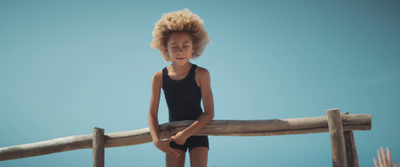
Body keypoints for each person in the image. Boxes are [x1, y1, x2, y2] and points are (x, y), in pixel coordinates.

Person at [148, 9, 214, 167]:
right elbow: (152, 114)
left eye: (185, 45)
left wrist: (185, 134)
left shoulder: (201, 74)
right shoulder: (158, 77)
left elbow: (209, 113)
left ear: (193, 47)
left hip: (198, 131)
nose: (180, 51)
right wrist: (156, 140)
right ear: (166, 49)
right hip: (173, 134)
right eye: (174, 46)